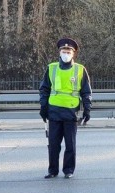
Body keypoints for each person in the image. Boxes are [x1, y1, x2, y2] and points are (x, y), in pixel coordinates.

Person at [39, 38, 92, 179]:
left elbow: (86, 92)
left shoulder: (80, 70)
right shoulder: (52, 68)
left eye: (68, 52)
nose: (66, 54)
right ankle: (52, 170)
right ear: (59, 52)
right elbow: (44, 89)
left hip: (71, 112)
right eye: (64, 51)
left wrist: (87, 109)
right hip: (54, 112)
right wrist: (43, 107)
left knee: (70, 145)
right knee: (53, 145)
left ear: (73, 54)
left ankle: (68, 170)